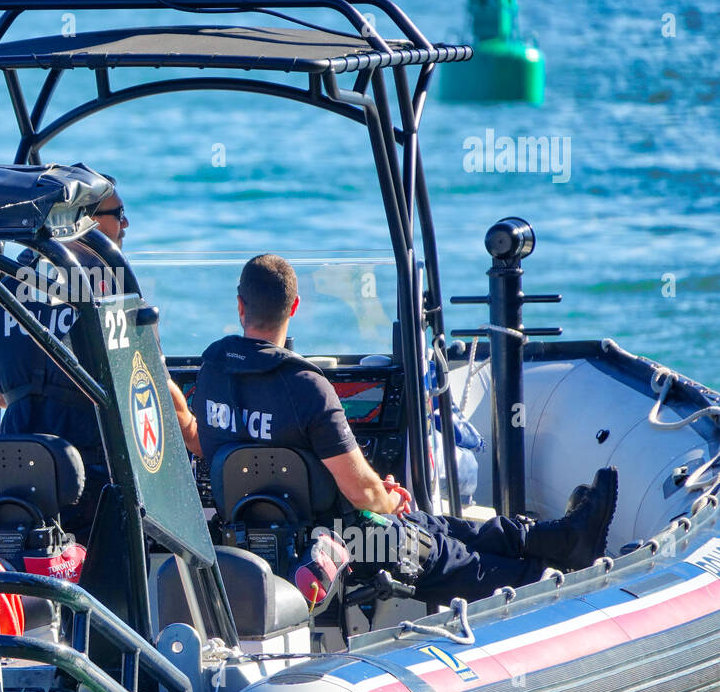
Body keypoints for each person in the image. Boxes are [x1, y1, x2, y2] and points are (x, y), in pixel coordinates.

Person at [191, 254, 617, 606]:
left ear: (241, 306)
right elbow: (363, 495)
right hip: (342, 542)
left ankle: (557, 537)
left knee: (437, 526)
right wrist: (386, 497)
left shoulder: (210, 372)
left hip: (247, 536)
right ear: (295, 307)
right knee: (444, 554)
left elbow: (202, 438)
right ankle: (558, 582)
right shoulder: (307, 388)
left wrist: (383, 500)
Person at [0, 188, 198, 532]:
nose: (126, 224)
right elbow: (149, 387)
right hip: (91, 487)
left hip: (14, 481)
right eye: (118, 213)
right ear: (85, 221)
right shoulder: (114, 290)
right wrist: (198, 435)